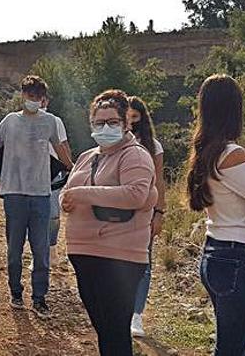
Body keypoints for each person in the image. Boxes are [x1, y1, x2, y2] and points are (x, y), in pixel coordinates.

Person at [184, 75, 245, 356]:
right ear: (234, 109)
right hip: (238, 258)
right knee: (233, 348)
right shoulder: (233, 154)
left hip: (213, 252)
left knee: (229, 345)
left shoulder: (205, 153)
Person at [61, 90, 157, 356]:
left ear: (126, 123)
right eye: (99, 122)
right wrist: (66, 200)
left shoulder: (134, 155)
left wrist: (81, 195)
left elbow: (136, 194)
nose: (105, 127)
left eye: (112, 121)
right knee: (104, 330)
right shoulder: (86, 157)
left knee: (115, 332)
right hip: (84, 252)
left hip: (119, 258)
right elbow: (67, 191)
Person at [0, 75, 73, 319]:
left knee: (41, 250)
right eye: (30, 96)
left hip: (41, 193)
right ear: (23, 95)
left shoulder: (50, 121)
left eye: (38, 97)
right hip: (14, 193)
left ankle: (39, 298)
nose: (34, 101)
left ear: (43, 99)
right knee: (14, 249)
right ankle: (16, 292)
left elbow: (62, 153)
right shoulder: (10, 121)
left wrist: (75, 169)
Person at [126, 95, 167, 338]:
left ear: (142, 118)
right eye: (127, 117)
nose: (131, 122)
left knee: (144, 263)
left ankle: (137, 314)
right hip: (118, 212)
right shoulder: (116, 142)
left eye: (135, 117)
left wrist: (159, 213)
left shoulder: (154, 147)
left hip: (145, 211)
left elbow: (159, 182)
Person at [42, 95, 72, 270]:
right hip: (30, 173)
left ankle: (52, 252)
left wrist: (70, 167)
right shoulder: (17, 119)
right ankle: (40, 253)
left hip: (54, 173)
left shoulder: (55, 121)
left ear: (46, 101)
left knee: (53, 215)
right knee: (34, 213)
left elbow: (63, 144)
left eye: (43, 99)